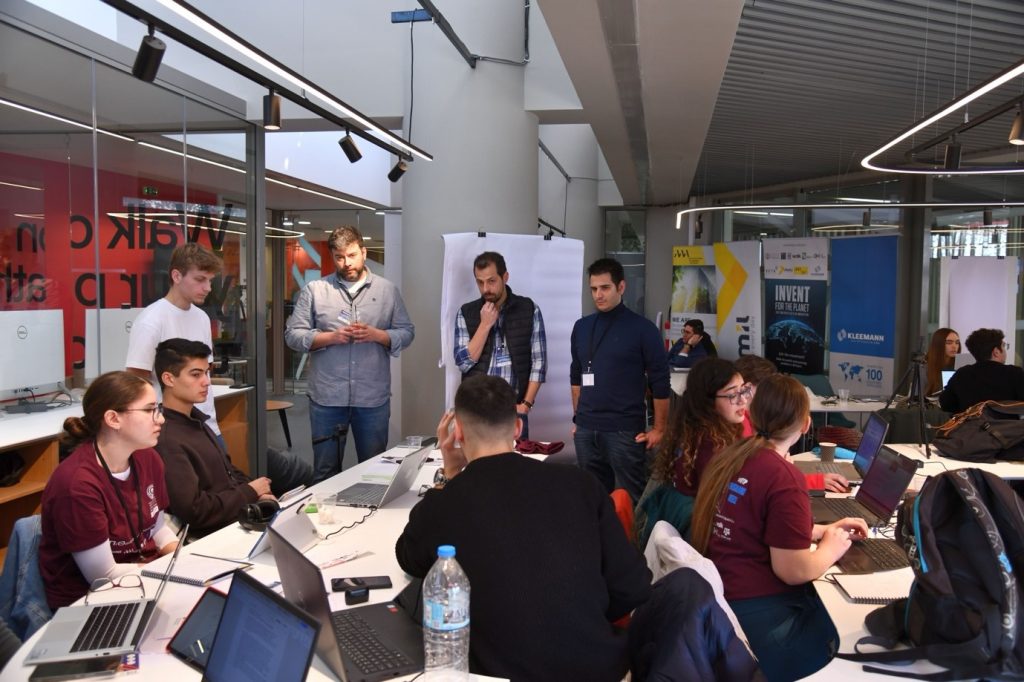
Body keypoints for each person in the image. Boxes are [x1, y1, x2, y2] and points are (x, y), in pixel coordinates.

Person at [395, 375, 651, 682]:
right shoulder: (581, 484)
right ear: (517, 428)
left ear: (458, 432)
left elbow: (409, 558)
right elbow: (632, 586)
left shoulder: (446, 502)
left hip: (498, 674)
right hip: (599, 668)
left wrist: (449, 474)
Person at [690, 374, 869, 681]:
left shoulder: (733, 457)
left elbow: (752, 524)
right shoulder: (783, 476)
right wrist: (832, 547)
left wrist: (818, 531)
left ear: (753, 413)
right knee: (853, 632)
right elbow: (794, 571)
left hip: (727, 602)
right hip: (760, 617)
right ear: (806, 424)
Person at [38, 371, 179, 610]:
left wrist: (181, 558)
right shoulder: (77, 484)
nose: (161, 419)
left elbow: (156, 529)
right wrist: (168, 573)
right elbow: (103, 576)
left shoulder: (148, 458)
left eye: (158, 409)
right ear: (113, 419)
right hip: (90, 599)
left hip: (143, 577)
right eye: (149, 410)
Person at [285, 226, 415, 481]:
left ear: (363, 252)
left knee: (374, 472)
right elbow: (292, 335)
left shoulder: (387, 291)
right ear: (332, 257)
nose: (346, 263)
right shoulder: (315, 290)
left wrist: (378, 335)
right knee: (325, 472)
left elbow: (407, 332)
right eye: (339, 257)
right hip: (327, 397)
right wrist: (330, 338)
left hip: (372, 398)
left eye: (352, 255)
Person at [153, 339, 312, 536]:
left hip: (238, 518)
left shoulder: (196, 421)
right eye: (196, 374)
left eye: (206, 373)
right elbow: (194, 511)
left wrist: (259, 494)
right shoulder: (167, 439)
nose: (206, 381)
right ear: (169, 379)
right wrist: (251, 491)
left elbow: (229, 471)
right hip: (214, 535)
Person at [570, 258, 670, 501]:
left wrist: (659, 428)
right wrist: (579, 418)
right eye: (594, 289)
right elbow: (576, 375)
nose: (598, 295)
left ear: (621, 287)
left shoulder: (643, 329)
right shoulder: (582, 327)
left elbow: (660, 380)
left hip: (624, 429)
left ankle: (632, 530)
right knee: (592, 498)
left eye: (605, 288)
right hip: (586, 428)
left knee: (631, 498)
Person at [125, 242, 224, 440]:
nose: (207, 288)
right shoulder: (151, 320)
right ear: (177, 276)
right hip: (168, 427)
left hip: (207, 424)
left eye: (210, 281)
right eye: (200, 279)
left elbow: (206, 369)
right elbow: (136, 379)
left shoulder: (202, 318)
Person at [453, 251, 546, 439]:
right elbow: (463, 363)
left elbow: (539, 362)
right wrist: (485, 325)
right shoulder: (467, 312)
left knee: (514, 458)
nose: (486, 288)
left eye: (491, 281)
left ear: (505, 277)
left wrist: (526, 405)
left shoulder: (528, 309)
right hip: (476, 410)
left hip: (513, 410)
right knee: (478, 459)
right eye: (480, 282)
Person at [734, 354, 848, 492]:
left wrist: (786, 470)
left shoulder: (745, 421)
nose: (772, 397)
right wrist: (789, 472)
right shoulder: (740, 425)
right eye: (768, 391)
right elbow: (762, 480)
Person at [940, 328, 1024, 413]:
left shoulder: (962, 374)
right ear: (996, 352)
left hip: (972, 421)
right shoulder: (1014, 373)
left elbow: (945, 404)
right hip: (1008, 421)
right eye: (1003, 346)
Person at [925, 327, 960, 395]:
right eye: (949, 343)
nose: (954, 346)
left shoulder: (961, 366)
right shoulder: (924, 367)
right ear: (938, 344)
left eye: (957, 342)